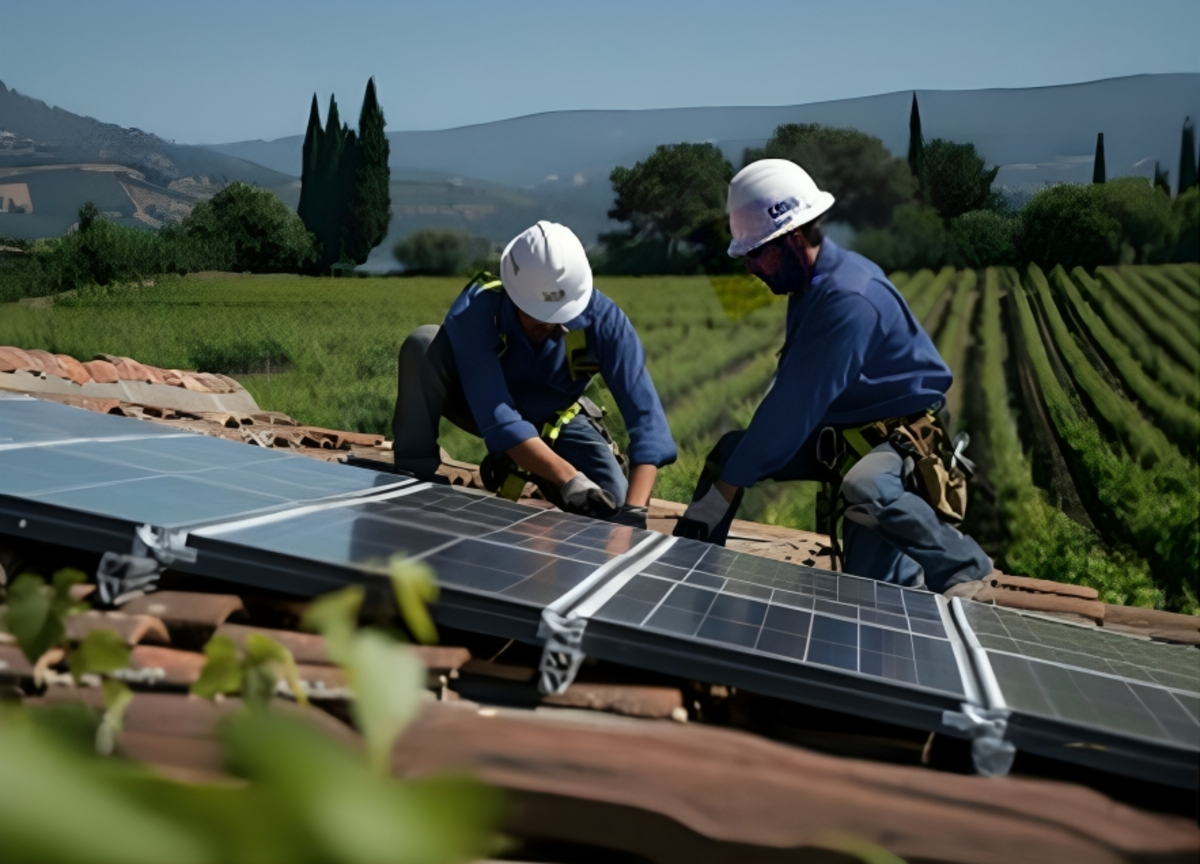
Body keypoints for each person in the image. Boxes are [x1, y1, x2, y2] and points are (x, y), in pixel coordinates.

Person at [673, 159, 992, 595]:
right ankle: (693, 565)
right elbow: (793, 392)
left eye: (755, 252)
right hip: (842, 433)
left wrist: (723, 492)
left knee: (868, 516)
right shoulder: (810, 283)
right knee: (732, 451)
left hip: (894, 439)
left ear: (793, 239)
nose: (750, 268)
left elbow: (792, 411)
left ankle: (965, 566)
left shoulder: (847, 300)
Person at [392, 220, 676, 529]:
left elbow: (648, 423)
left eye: (560, 319)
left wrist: (633, 513)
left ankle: (520, 465)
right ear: (513, 296)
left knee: (609, 504)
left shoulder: (605, 322)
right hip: (479, 405)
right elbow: (498, 418)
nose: (549, 328)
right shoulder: (479, 307)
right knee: (423, 345)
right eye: (538, 318)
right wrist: (569, 478)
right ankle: (414, 473)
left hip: (552, 421)